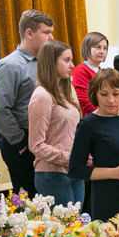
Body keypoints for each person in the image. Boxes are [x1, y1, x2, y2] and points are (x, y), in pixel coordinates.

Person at [68, 69, 119, 226]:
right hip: (108, 198)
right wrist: (115, 173)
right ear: (95, 96)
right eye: (104, 94)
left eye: (116, 94)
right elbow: (75, 169)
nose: (111, 100)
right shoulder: (89, 124)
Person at [0, 9, 54, 196]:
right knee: (30, 200)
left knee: (47, 197)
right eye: (46, 32)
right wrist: (20, 142)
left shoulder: (44, 63)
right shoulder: (9, 65)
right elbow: (0, 110)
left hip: (44, 139)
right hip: (22, 142)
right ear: (29, 33)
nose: (51, 38)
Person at [28, 40, 83, 205]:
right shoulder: (42, 96)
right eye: (66, 60)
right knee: (67, 225)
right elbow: (36, 145)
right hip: (51, 173)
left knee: (78, 225)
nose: (72, 65)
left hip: (73, 169)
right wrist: (70, 157)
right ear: (51, 63)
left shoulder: (64, 93)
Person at [72, 32, 109, 117]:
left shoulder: (102, 71)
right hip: (92, 118)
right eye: (98, 47)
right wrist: (106, 114)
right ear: (87, 48)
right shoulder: (80, 70)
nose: (102, 51)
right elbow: (84, 101)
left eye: (105, 48)